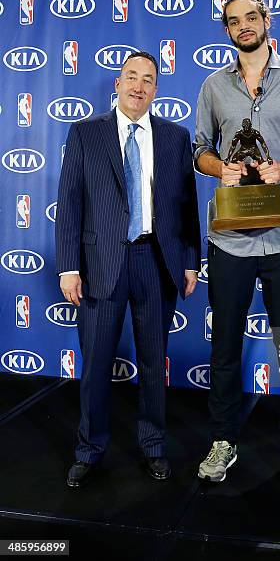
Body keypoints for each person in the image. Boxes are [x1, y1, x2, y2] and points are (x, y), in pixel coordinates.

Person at [193, 0, 280, 491]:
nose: (244, 26)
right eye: (234, 21)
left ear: (266, 21)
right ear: (227, 31)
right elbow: (200, 150)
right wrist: (220, 168)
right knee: (225, 347)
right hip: (230, 239)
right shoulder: (213, 86)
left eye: (251, 17)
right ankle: (224, 440)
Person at [56, 51, 200, 487]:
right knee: (97, 362)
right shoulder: (84, 134)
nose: (139, 86)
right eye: (131, 77)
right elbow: (70, 205)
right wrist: (68, 268)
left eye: (149, 80)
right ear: (117, 84)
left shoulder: (176, 138)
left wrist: (191, 261)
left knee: (155, 362)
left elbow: (187, 206)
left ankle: (153, 445)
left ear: (156, 89)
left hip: (157, 263)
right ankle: (89, 448)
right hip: (101, 265)